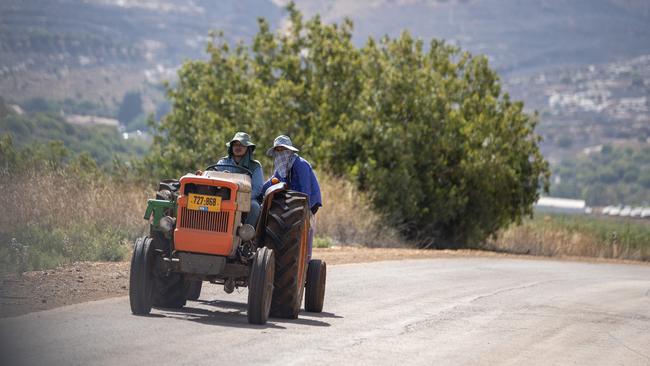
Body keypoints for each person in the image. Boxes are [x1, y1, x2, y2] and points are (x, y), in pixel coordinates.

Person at [262, 135, 322, 259]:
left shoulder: (300, 164)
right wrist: (258, 191)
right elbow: (273, 182)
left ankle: (305, 257)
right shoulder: (281, 167)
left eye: (282, 149)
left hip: (309, 202)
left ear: (289, 150)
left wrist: (305, 211)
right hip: (292, 202)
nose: (280, 153)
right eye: (277, 150)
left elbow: (305, 190)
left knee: (301, 228)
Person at [216, 132, 264, 227]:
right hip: (224, 196)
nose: (238, 147)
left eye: (242, 145)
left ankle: (246, 235)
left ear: (248, 148)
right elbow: (215, 179)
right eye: (236, 145)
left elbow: (257, 188)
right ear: (231, 147)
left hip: (246, 198)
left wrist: (241, 198)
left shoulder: (255, 166)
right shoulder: (222, 162)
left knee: (254, 206)